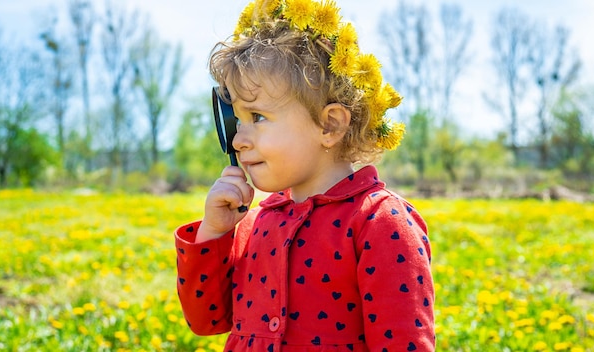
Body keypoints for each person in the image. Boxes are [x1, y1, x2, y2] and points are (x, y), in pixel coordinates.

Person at [174, 0, 435, 350]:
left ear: (329, 125)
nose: (238, 139)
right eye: (237, 119)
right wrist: (214, 231)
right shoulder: (254, 223)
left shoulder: (378, 222)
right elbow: (205, 319)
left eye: (258, 117)